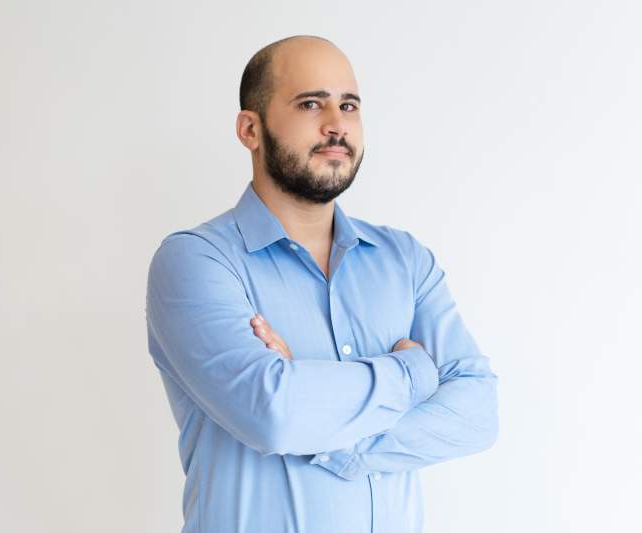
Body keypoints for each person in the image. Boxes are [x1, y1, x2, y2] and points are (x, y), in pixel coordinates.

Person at [145, 34, 499, 533]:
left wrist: (332, 433)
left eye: (348, 105)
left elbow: (478, 412)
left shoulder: (404, 260)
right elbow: (274, 414)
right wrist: (414, 373)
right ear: (250, 129)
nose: (337, 124)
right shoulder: (196, 261)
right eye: (311, 103)